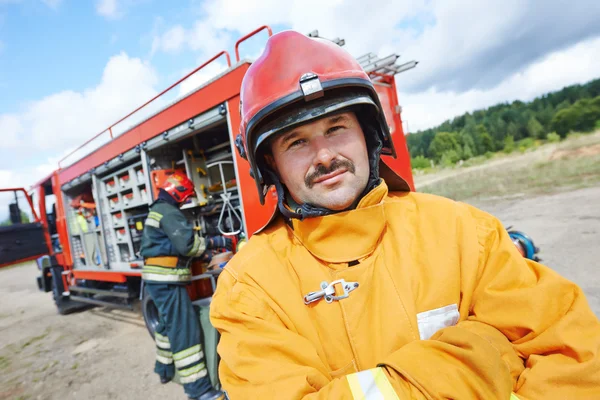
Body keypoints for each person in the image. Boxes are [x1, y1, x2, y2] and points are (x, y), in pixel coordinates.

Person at [209, 30, 600, 399]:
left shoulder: (464, 232)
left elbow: (574, 356)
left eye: (336, 128)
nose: (325, 155)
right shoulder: (248, 289)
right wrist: (485, 353)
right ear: (270, 165)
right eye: (297, 141)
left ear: (368, 133)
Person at [140, 171, 230, 400]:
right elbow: (186, 245)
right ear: (177, 192)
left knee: (167, 324)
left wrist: (206, 251)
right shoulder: (169, 212)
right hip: (167, 280)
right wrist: (215, 242)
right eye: (185, 196)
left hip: (155, 279)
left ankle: (164, 369)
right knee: (184, 330)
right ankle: (198, 390)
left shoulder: (157, 210)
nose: (184, 201)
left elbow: (173, 245)